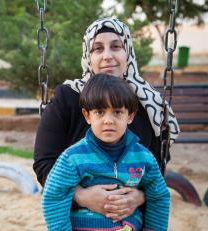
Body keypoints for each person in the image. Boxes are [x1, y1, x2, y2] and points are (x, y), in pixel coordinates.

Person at [34, 17, 179, 222]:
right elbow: (44, 162)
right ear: (88, 56)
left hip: (130, 220)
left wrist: (140, 197)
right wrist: (81, 196)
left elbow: (156, 168)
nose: (107, 56)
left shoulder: (150, 105)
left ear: (127, 51)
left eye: (116, 46)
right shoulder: (67, 98)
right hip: (78, 220)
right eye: (98, 49)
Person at [42, 74, 170, 231]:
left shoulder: (144, 158)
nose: (108, 120)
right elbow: (54, 195)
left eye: (117, 112)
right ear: (87, 116)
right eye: (100, 112)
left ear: (130, 116)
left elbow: (159, 196)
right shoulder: (73, 157)